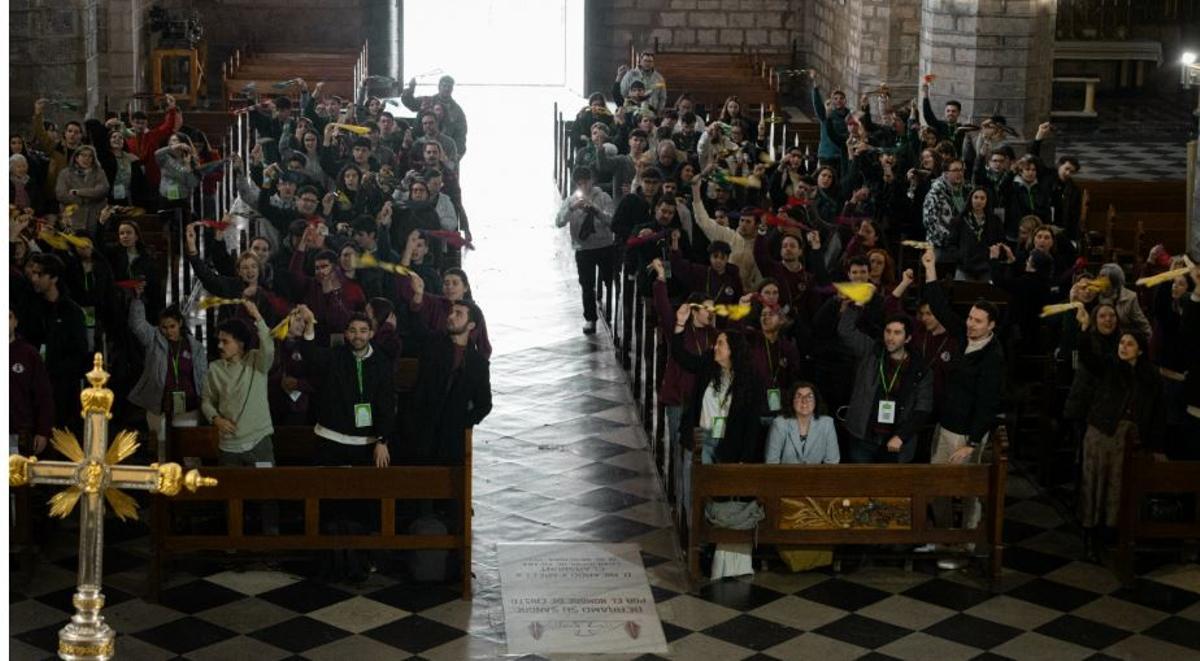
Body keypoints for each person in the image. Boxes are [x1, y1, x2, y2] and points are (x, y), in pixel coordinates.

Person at [920, 247, 1005, 568]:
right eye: (969, 318)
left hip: (968, 434)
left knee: (968, 491)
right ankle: (942, 537)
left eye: (978, 321)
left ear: (991, 326)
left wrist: (972, 443)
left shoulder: (993, 357)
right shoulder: (963, 335)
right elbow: (940, 309)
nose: (970, 324)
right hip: (946, 424)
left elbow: (988, 403)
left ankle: (965, 546)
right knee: (938, 485)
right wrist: (930, 269)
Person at [1073, 306, 1164, 562]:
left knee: (1118, 486)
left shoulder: (1150, 376)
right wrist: (1084, 329)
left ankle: (1110, 533)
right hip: (1102, 431)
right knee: (1094, 484)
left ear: (1140, 350)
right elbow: (1089, 358)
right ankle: (1090, 533)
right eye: (1121, 343)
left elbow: (1157, 412)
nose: (1123, 347)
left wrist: (1155, 445)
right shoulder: (1111, 366)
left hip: (1129, 438)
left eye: (1129, 344)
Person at [293, 309, 396, 467]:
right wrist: (309, 325)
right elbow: (311, 355)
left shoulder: (382, 363)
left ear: (371, 334)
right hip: (330, 437)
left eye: (363, 331)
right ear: (346, 334)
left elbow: (386, 403)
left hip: (366, 442)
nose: (357, 336)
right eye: (353, 331)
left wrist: (382, 440)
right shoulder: (335, 356)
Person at [838, 304, 933, 463]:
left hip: (896, 442)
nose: (890, 337)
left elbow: (923, 408)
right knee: (859, 478)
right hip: (864, 437)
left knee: (891, 480)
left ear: (908, 338)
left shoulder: (920, 369)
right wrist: (855, 306)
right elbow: (845, 331)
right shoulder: (871, 351)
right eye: (888, 331)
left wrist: (901, 436)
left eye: (897, 333)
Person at [402, 300, 493, 465]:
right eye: (451, 312)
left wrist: (460, 423)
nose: (451, 316)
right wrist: (416, 303)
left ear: (471, 325)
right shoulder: (433, 344)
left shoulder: (478, 363)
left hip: (450, 439)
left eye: (458, 314)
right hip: (419, 427)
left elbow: (484, 404)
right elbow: (417, 331)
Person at [18, 253, 90, 433]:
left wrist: (54, 369)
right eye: (33, 273)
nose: (34, 278)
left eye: (39, 274)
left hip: (62, 389)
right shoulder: (29, 308)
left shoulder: (71, 311)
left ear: (54, 278)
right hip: (31, 386)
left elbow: (80, 352)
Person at [128, 299, 207, 457]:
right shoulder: (153, 338)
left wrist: (205, 399)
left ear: (180, 324)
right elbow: (137, 325)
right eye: (164, 327)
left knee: (188, 449)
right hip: (158, 403)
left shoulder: (195, 346)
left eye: (172, 326)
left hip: (188, 403)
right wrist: (137, 299)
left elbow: (203, 375)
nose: (169, 331)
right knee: (161, 449)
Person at [200, 301, 275, 466]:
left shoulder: (257, 360)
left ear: (240, 344)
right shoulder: (215, 368)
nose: (219, 345)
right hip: (229, 446)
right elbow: (206, 401)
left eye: (225, 341)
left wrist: (258, 317)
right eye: (219, 341)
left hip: (259, 442)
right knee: (230, 484)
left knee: (266, 483)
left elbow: (268, 348)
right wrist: (216, 419)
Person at [556, 166, 615, 334]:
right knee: (586, 284)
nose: (583, 186)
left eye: (586, 182)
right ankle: (590, 318)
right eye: (579, 184)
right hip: (583, 248)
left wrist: (595, 210)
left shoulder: (603, 197)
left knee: (609, 279)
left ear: (592, 180)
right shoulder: (571, 200)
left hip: (604, 245)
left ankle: (610, 310)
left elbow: (611, 220)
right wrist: (572, 208)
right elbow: (559, 221)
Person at [9, 309, 54, 456]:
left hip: (18, 434)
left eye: (8, 317)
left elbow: (43, 395)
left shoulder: (29, 354)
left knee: (17, 470)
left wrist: (43, 431)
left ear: (15, 322)